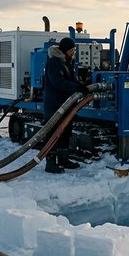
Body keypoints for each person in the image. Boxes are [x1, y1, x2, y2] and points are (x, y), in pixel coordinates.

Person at [43, 37, 88, 173]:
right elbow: (59, 82)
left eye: (74, 49)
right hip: (55, 104)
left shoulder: (67, 62)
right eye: (71, 50)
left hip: (66, 103)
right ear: (64, 50)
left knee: (65, 132)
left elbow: (70, 79)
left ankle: (63, 159)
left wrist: (80, 85)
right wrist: (75, 88)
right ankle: (51, 163)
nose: (73, 52)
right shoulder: (54, 63)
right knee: (53, 132)